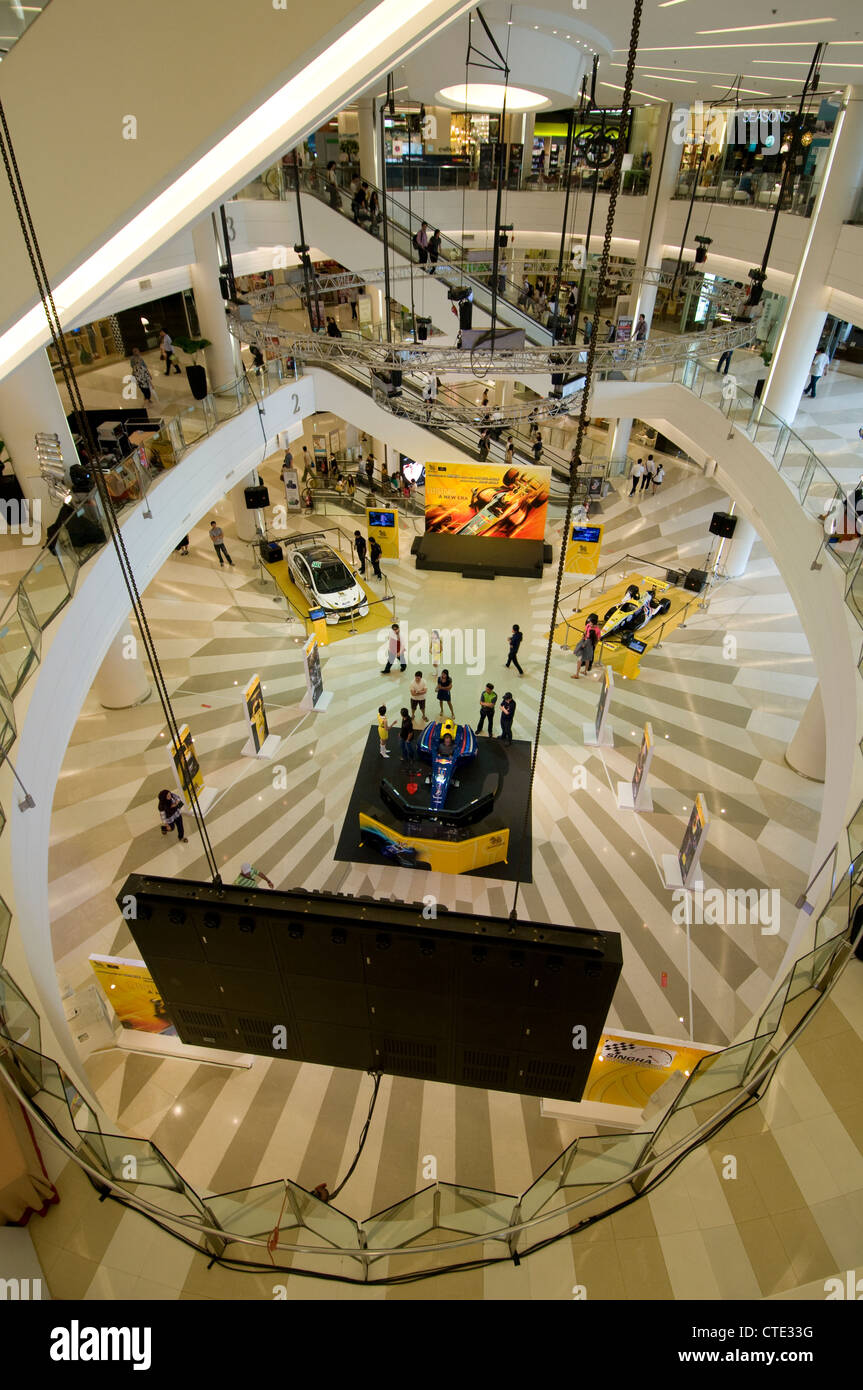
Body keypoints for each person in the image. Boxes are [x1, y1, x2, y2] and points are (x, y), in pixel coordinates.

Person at [571, 612, 601, 679]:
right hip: (589, 643)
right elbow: (585, 632)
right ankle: (585, 671)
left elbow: (597, 639)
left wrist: (592, 645)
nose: (589, 623)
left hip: (588, 644)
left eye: (590, 622)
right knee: (587, 659)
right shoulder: (589, 626)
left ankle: (577, 674)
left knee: (580, 660)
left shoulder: (597, 630)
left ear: (593, 623)